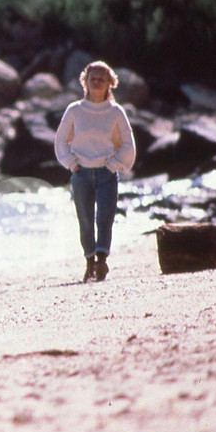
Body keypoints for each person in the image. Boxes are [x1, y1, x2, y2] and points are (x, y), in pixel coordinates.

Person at [54, 60, 136, 282]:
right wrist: (71, 163)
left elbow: (129, 144)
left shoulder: (116, 112)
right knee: (85, 220)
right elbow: (61, 140)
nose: (97, 82)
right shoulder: (75, 110)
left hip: (106, 173)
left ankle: (102, 260)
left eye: (102, 78)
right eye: (93, 78)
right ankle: (89, 261)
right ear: (85, 82)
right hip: (81, 173)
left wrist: (113, 164)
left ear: (110, 83)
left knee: (105, 218)